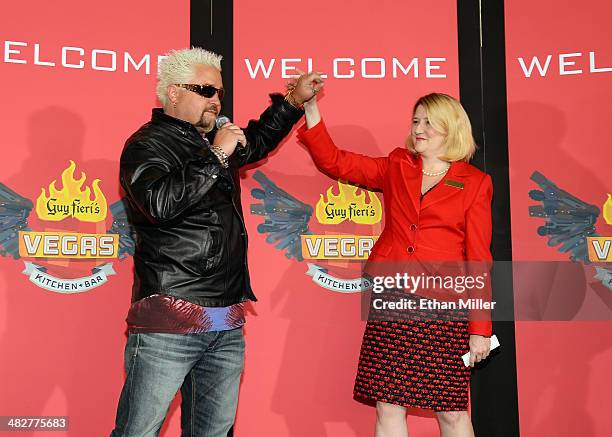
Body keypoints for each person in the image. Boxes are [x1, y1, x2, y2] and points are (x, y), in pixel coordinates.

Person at [109, 48, 316, 437]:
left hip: (226, 322)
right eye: (205, 90)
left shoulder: (211, 143)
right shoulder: (146, 145)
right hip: (169, 317)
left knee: (214, 432)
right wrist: (219, 152)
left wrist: (290, 103)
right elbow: (158, 203)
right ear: (173, 93)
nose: (216, 100)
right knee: (138, 431)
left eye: (219, 91)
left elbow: (254, 142)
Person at [295, 82, 493, 437]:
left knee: (450, 409)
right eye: (416, 121)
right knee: (388, 403)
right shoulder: (397, 165)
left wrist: (480, 329)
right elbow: (334, 161)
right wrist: (310, 107)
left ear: (451, 128)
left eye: (429, 123)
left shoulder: (476, 183)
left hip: (444, 307)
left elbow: (478, 260)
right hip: (393, 298)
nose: (418, 130)